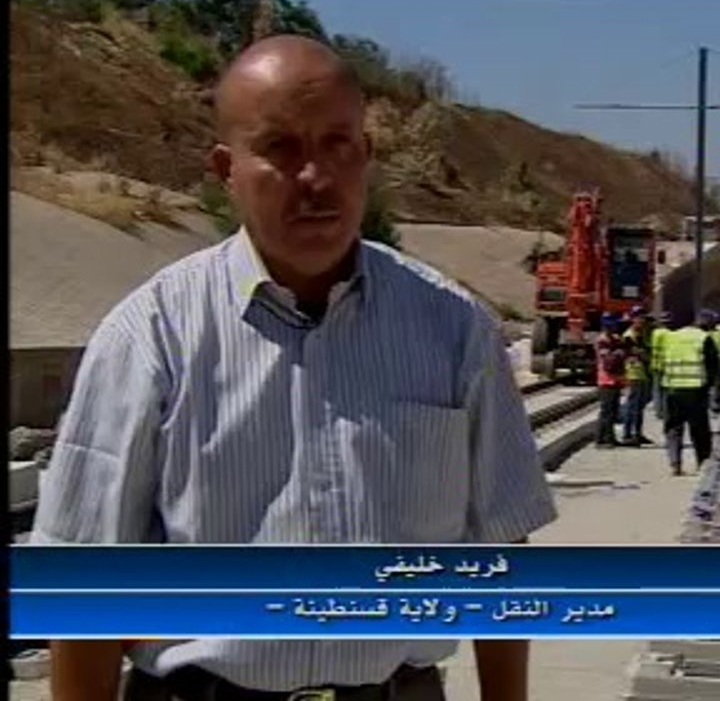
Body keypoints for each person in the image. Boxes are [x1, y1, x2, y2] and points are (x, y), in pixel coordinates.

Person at [31, 36, 557, 701]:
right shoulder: (152, 336)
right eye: (281, 148)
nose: (315, 177)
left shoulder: (454, 330)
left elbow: (499, 553)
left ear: (366, 157)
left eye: (338, 144)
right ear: (226, 168)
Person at [659, 310, 719, 476]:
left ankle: (675, 463)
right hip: (696, 389)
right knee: (699, 429)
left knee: (673, 427)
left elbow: (662, 360)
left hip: (672, 388)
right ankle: (702, 462)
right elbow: (713, 364)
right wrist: (711, 386)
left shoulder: (670, 337)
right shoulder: (703, 338)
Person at [621, 306, 653, 446]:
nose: (641, 320)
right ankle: (628, 435)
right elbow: (638, 353)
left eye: (643, 317)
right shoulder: (629, 336)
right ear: (633, 319)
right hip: (633, 373)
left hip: (642, 373)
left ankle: (637, 433)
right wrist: (646, 356)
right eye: (638, 317)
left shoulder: (643, 334)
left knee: (639, 406)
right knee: (632, 405)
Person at [595, 311, 625, 448]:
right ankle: (603, 439)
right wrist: (618, 353)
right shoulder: (602, 340)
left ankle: (610, 437)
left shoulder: (614, 339)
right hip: (606, 380)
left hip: (616, 380)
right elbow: (609, 362)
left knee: (613, 411)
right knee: (606, 411)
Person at [649, 312, 671, 421]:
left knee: (657, 389)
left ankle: (658, 411)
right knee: (666, 390)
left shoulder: (655, 333)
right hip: (666, 364)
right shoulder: (670, 334)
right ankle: (665, 411)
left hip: (655, 363)